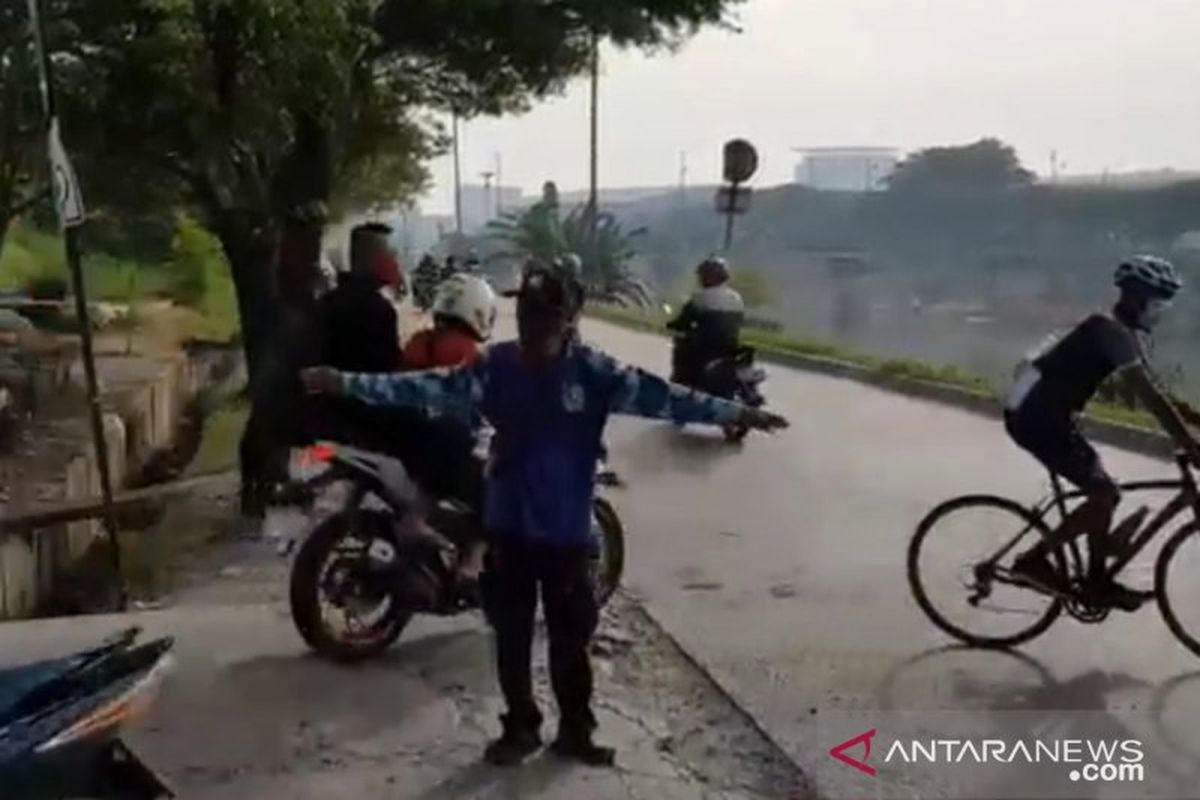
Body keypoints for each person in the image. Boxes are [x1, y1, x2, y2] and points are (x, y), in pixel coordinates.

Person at [302, 259, 787, 768]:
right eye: (529, 319)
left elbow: (667, 398)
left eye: (546, 322)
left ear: (568, 322)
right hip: (509, 529)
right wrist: (343, 382)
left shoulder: (596, 373)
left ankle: (575, 732)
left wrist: (737, 412)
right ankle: (521, 727)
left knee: (570, 640)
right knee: (510, 638)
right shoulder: (496, 366)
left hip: (565, 535)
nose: (535, 333)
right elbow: (423, 386)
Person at [1005, 255, 1200, 610]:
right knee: (1103, 494)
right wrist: (1187, 441)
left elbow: (1158, 393)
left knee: (1105, 495)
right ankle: (1033, 562)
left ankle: (1097, 580)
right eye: (1158, 303)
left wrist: (1194, 423)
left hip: (1051, 413)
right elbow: (1150, 397)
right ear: (1136, 297)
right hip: (1034, 415)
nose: (1160, 312)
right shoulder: (1109, 330)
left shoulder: (1122, 333)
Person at [402, 274, 498, 590]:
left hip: (408, 438)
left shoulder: (419, 341)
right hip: (442, 448)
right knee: (496, 490)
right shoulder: (466, 351)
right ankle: (473, 559)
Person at [320, 222, 402, 372]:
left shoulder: (326, 303)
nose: (395, 262)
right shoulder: (379, 311)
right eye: (390, 255)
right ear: (371, 259)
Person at [666, 256, 745, 386]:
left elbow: (682, 323)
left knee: (683, 354)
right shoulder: (737, 298)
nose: (700, 279)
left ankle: (680, 384)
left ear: (709, 276)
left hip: (704, 349)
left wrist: (671, 325)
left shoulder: (700, 298)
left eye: (703, 275)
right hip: (729, 349)